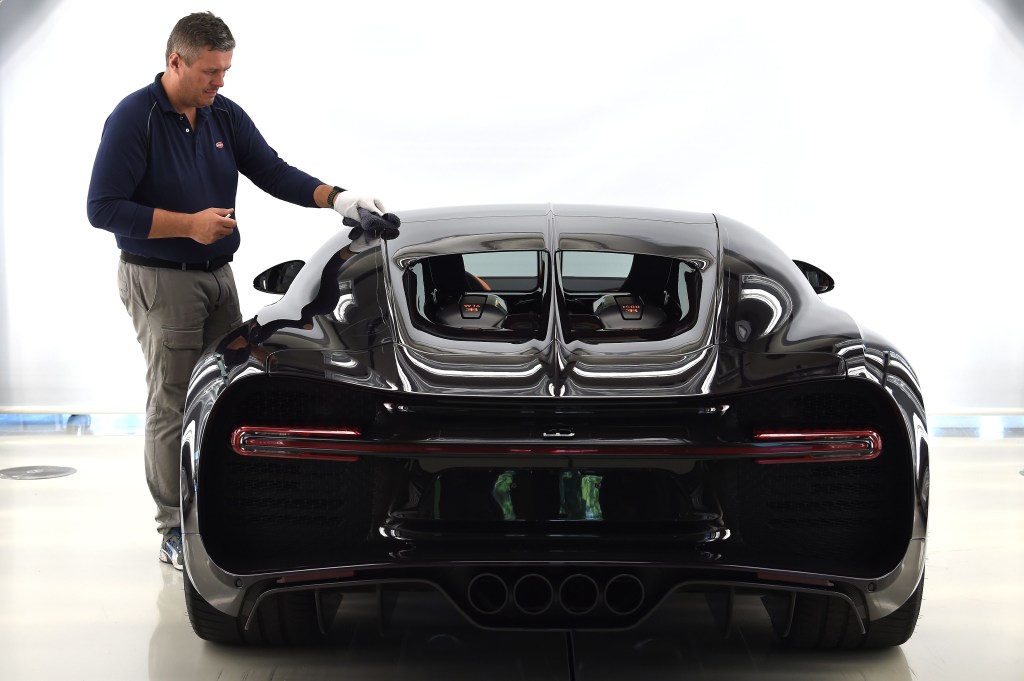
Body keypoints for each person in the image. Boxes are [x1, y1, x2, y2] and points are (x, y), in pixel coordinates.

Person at [86, 11, 390, 570]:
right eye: (210, 71)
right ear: (175, 61)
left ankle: (218, 511)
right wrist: (189, 225)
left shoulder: (222, 113)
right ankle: (173, 528)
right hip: (160, 279)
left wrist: (338, 198)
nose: (220, 81)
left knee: (225, 394)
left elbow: (271, 170)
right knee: (174, 400)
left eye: (225, 70)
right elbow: (102, 209)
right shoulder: (135, 119)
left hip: (216, 275)